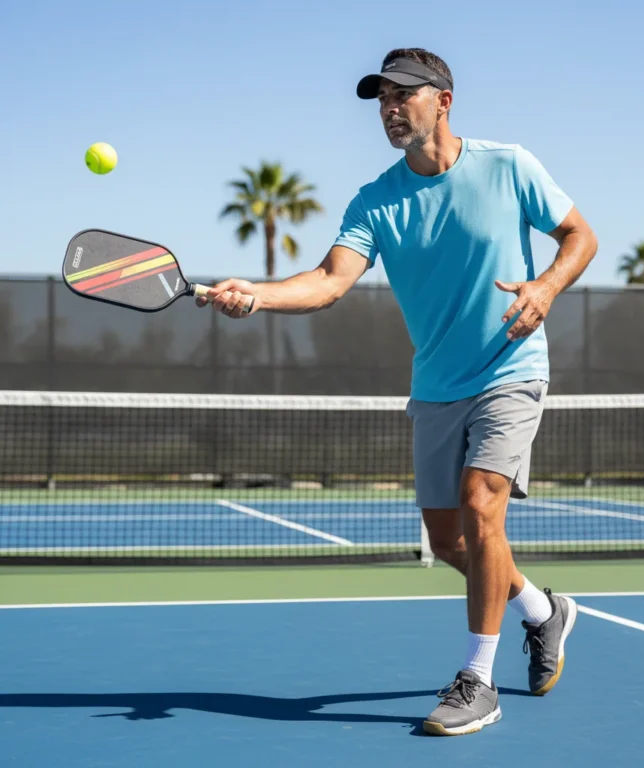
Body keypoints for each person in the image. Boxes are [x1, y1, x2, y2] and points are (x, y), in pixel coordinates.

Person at [197, 47, 598, 737]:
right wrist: (257, 295)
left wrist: (545, 287)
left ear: (443, 100)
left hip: (510, 368)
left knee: (481, 505)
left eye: (402, 95)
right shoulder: (375, 200)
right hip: (437, 384)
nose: (389, 108)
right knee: (449, 542)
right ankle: (542, 611)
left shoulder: (509, 165)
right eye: (381, 97)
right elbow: (328, 280)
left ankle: (479, 679)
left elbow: (579, 236)